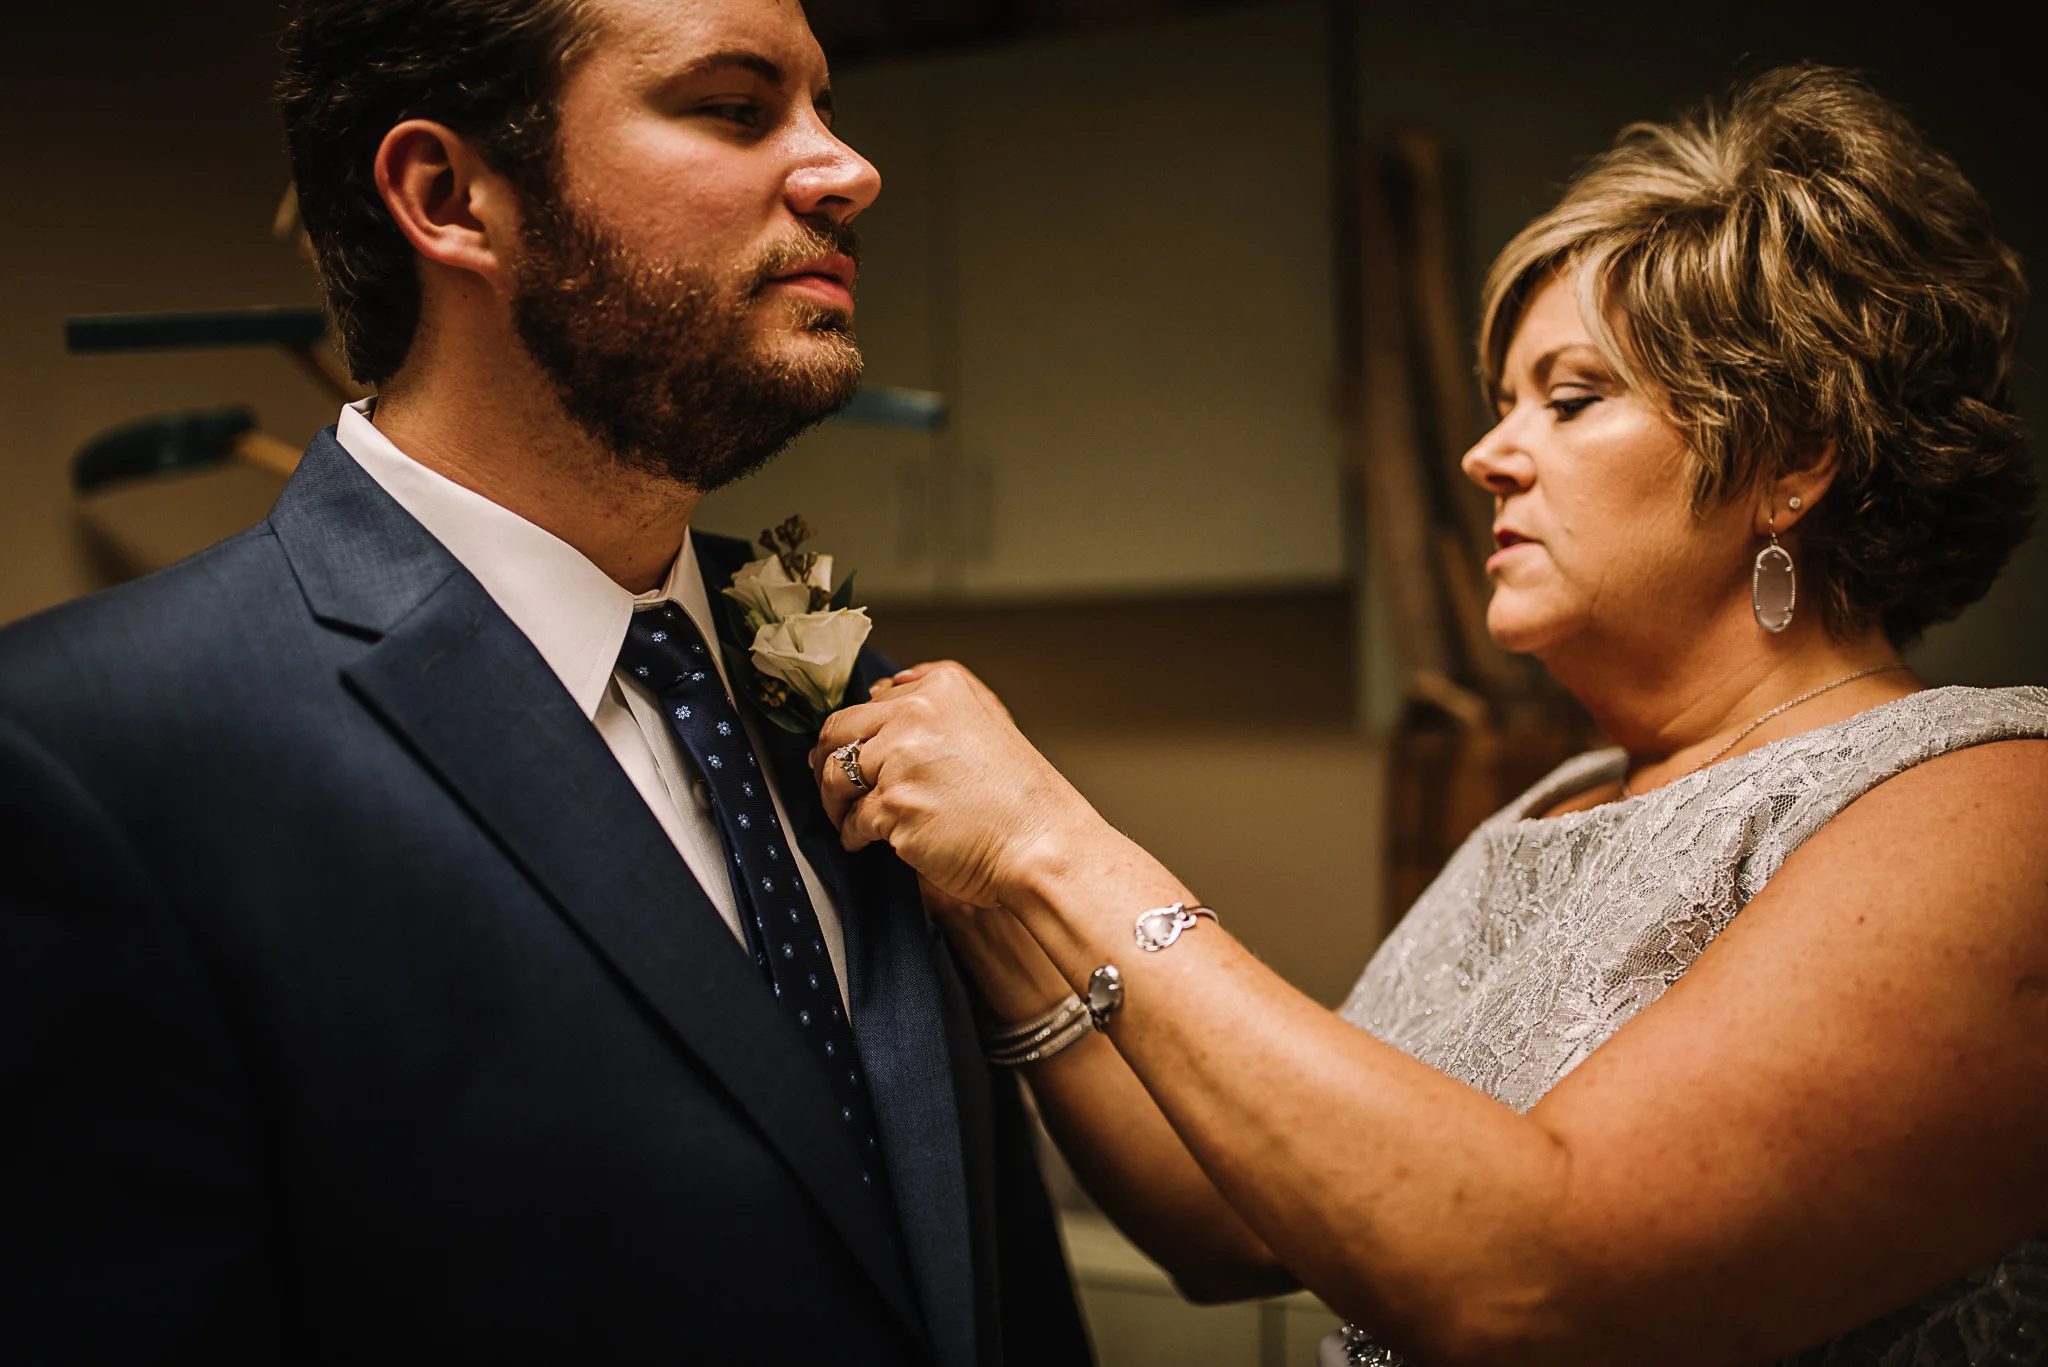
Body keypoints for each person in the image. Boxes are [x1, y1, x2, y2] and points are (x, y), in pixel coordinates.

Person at [810, 65, 2048, 1366]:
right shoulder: (1552, 807)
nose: (1486, 454)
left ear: (1792, 460)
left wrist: (1053, 843)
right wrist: (986, 901)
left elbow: (1534, 1284)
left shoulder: (1982, 809)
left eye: (1570, 398)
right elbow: (1235, 1223)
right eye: (1503, 403)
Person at [0, 1, 1089, 1362]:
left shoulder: (842, 672)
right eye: (736, 107)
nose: (848, 169)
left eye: (825, 105)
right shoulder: (87, 756)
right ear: (449, 196)